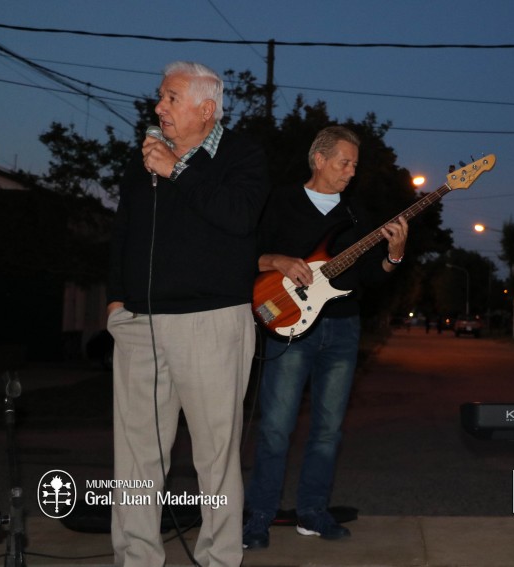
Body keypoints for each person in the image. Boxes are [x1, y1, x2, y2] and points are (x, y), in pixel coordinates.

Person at [106, 61, 270, 567]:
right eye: (160, 97)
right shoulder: (146, 160)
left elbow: (239, 217)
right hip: (140, 325)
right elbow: (124, 230)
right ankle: (136, 557)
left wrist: (176, 168)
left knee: (214, 458)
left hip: (211, 324)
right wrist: (116, 299)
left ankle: (219, 558)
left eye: (170, 99)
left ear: (206, 109)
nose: (158, 108)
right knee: (136, 459)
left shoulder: (243, 155)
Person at [242, 126, 409, 549]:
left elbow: (372, 277)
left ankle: (313, 512)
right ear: (319, 159)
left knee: (328, 430)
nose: (352, 171)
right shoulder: (279, 201)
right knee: (276, 427)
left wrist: (394, 255)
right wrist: (277, 261)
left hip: (343, 326)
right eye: (344, 162)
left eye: (355, 164)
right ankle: (258, 518)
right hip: (290, 325)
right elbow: (246, 254)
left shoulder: (357, 214)